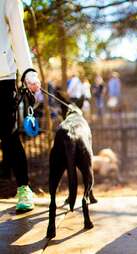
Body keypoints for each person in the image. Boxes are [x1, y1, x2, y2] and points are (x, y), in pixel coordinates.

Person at [0, 0, 41, 212]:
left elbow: (18, 33)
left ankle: (24, 188)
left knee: (8, 135)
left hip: (3, 77)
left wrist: (27, 72)